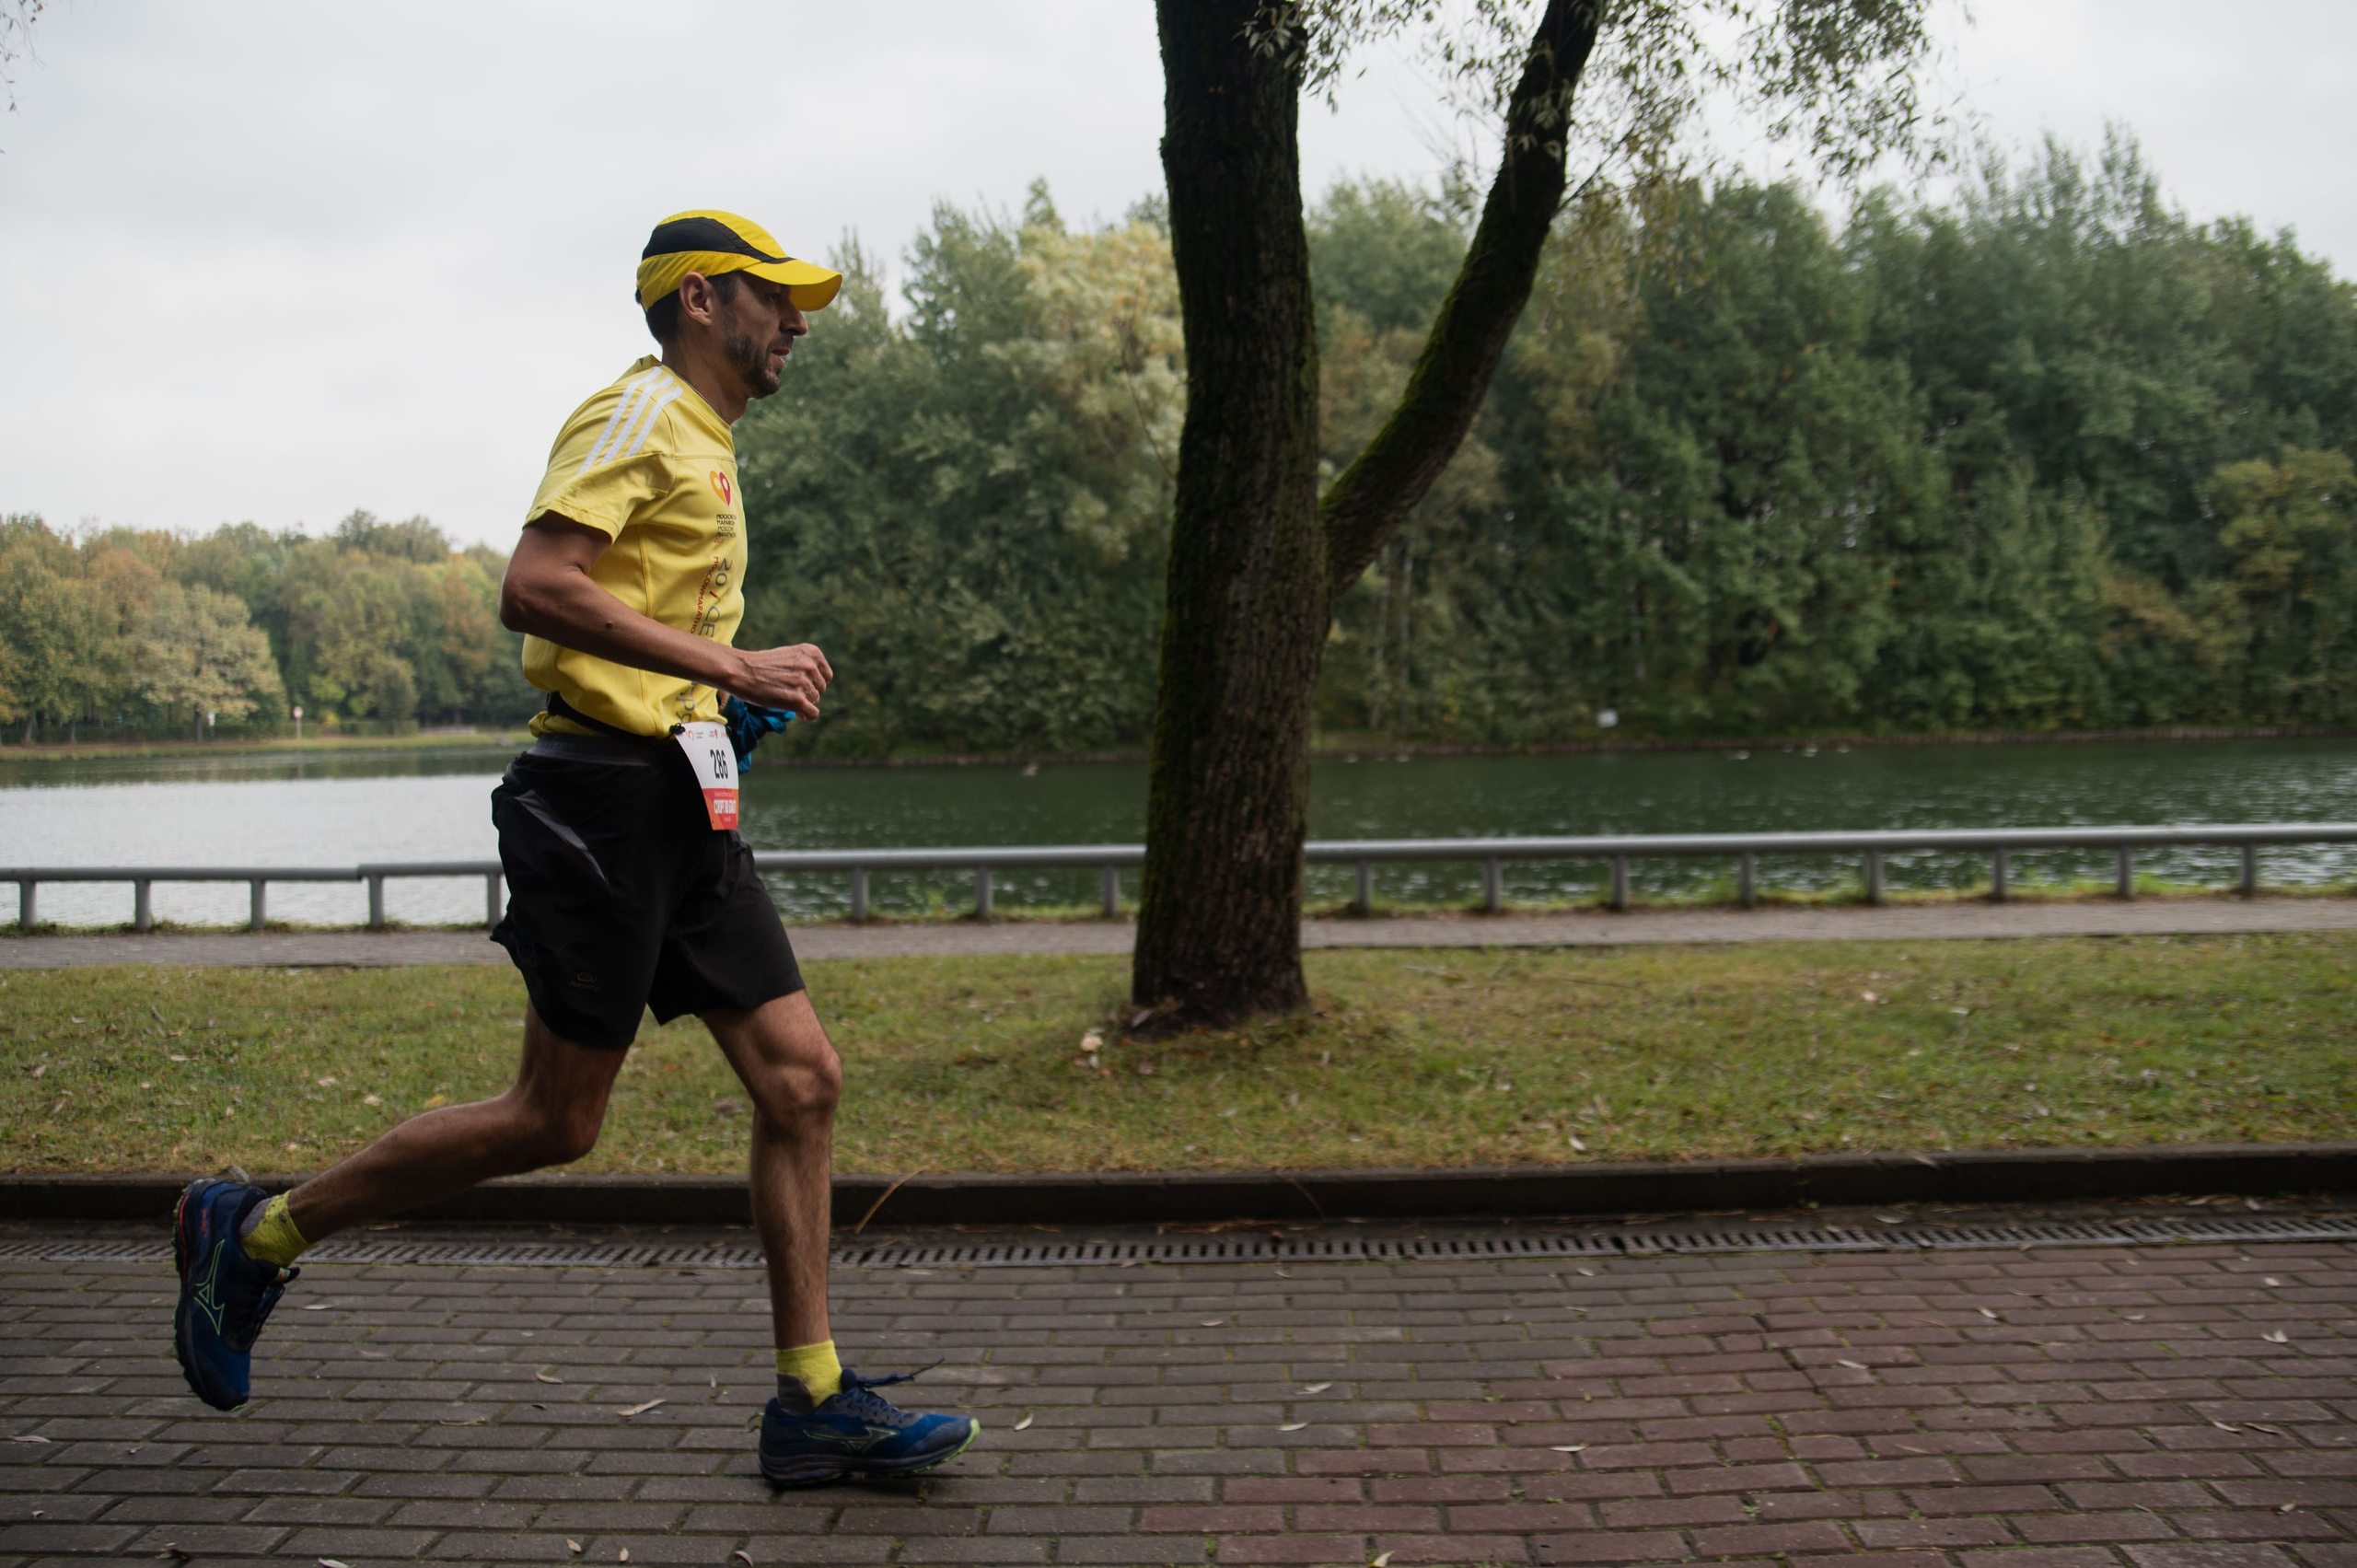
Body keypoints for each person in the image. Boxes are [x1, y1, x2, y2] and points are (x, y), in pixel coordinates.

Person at [168, 209, 980, 1486]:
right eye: (774, 296)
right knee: (555, 1120)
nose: (797, 322)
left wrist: (716, 704)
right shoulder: (638, 411)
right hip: (598, 802)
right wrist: (730, 664)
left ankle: (813, 1398)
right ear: (700, 300)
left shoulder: (704, 438)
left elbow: (636, 620)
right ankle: (257, 1234)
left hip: (680, 798)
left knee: (803, 1081)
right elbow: (536, 587)